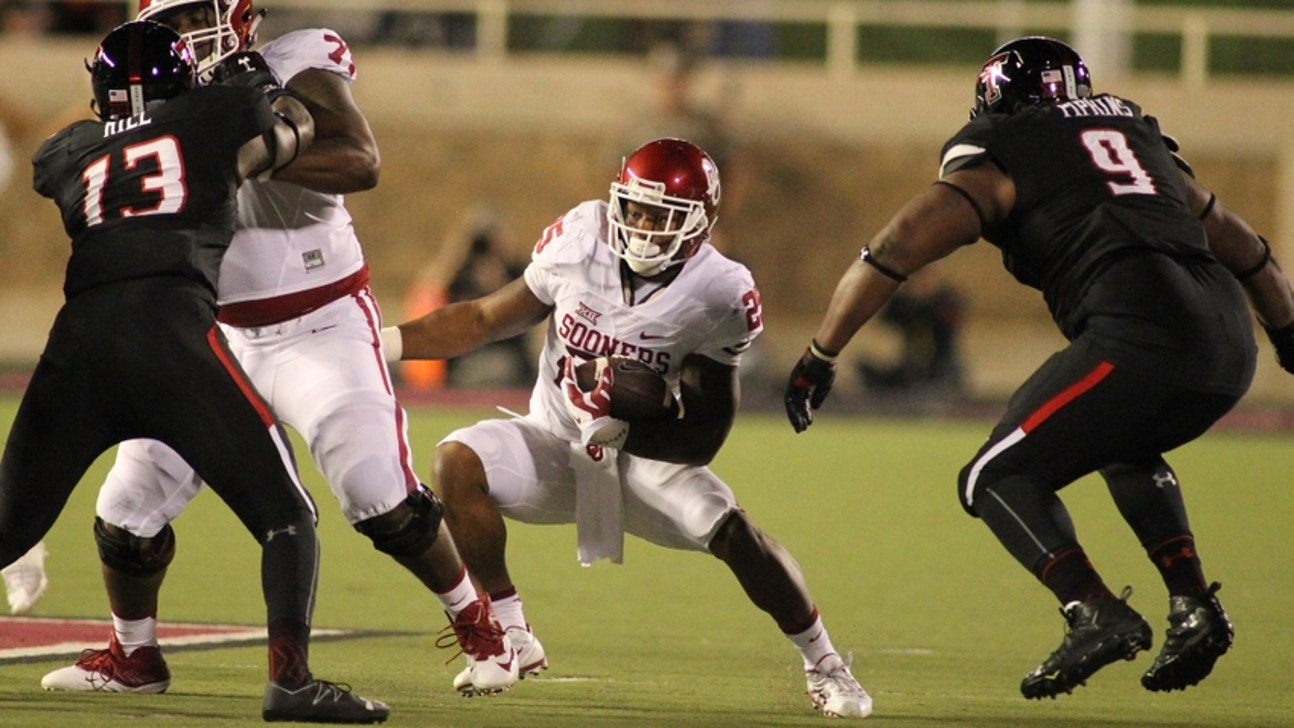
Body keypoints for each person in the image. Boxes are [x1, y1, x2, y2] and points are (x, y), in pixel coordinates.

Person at [784, 37, 1294, 701]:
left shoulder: (999, 148)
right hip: (1229, 340)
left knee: (992, 477)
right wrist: (1285, 333)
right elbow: (1243, 243)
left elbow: (895, 247)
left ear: (995, 99)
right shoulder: (1132, 134)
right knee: (1125, 445)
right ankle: (1192, 603)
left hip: (1140, 333)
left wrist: (821, 353)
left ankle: (1093, 610)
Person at [37, 0, 517, 703]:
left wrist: (246, 148)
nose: (182, 33)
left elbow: (360, 158)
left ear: (236, 14)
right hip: (212, 331)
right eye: (171, 21)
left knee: (377, 494)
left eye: (196, 13)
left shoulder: (297, 61)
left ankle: (482, 626)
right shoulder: (153, 92)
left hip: (318, 323)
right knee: (126, 510)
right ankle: (134, 657)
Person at [380, 137, 873, 719]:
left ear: (701, 223)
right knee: (456, 460)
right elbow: (485, 318)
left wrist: (623, 432)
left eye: (661, 216)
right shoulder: (581, 237)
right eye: (635, 209)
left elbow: (705, 436)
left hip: (645, 458)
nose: (642, 226)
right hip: (556, 440)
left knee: (734, 533)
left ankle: (826, 665)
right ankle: (511, 634)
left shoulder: (720, 292)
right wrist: (382, 343)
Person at [3, 19, 387, 723]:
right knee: (286, 518)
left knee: (7, 525)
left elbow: (58, 154)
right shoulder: (215, 117)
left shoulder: (69, 153)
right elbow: (294, 126)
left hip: (77, 347)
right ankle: (291, 684)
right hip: (173, 337)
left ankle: (130, 654)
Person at [854, 264, 966, 395]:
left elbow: (950, 316)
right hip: (910, 367)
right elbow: (883, 316)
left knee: (939, 383)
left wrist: (926, 298)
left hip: (941, 368)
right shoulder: (904, 303)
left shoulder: (946, 301)